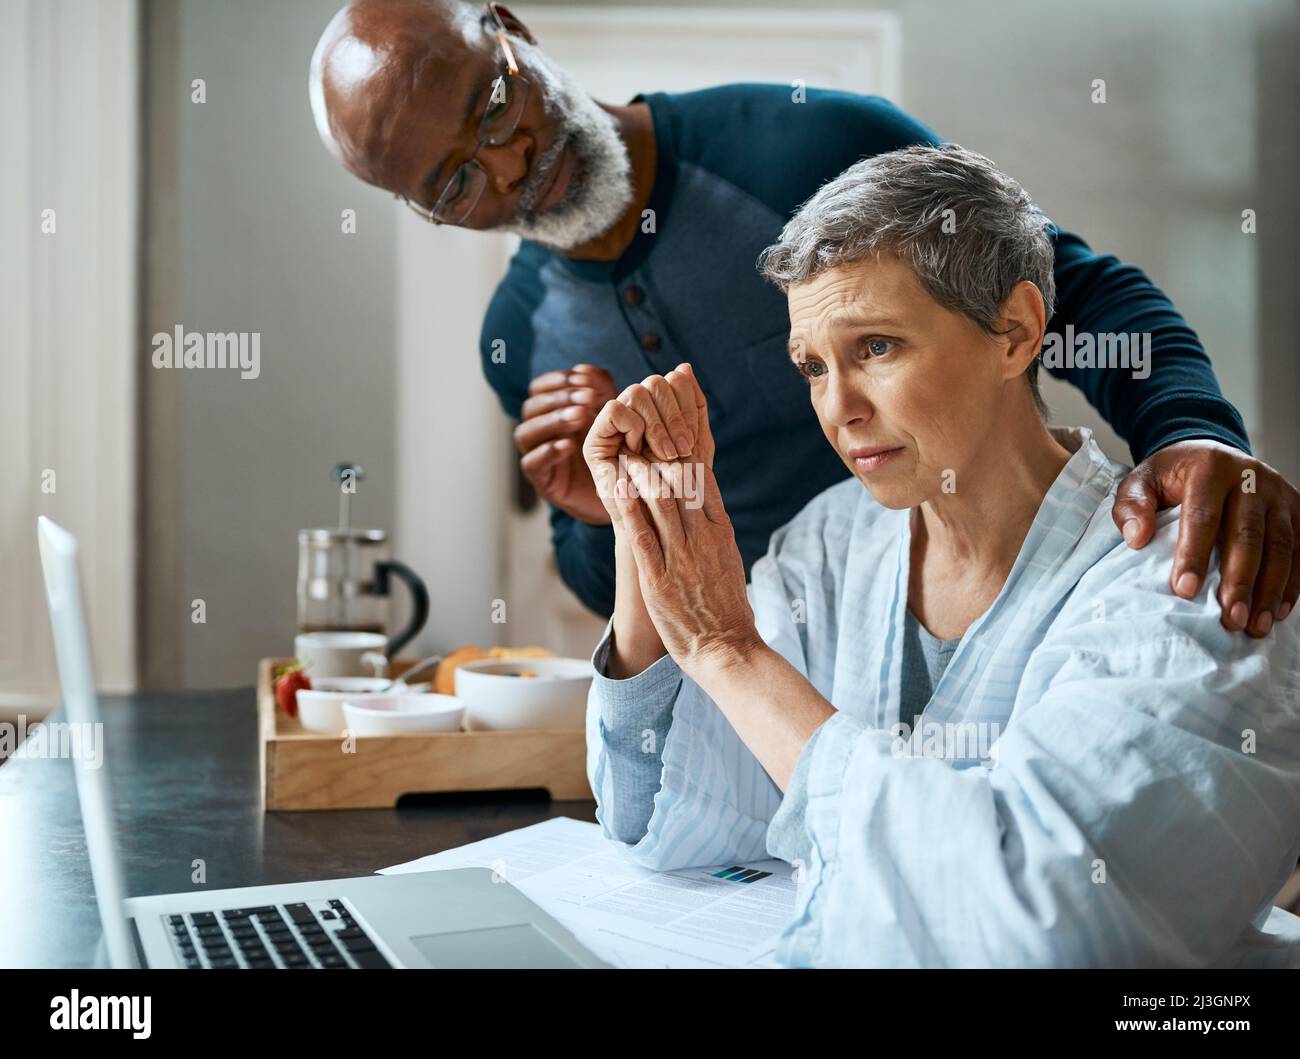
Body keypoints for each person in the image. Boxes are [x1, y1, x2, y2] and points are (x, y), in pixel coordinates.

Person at [309, 0, 1300, 637]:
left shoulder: (813, 139)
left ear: (511, 29)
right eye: (453, 182)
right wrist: (603, 519)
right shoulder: (517, 338)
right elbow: (633, 600)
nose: (511, 166)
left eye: (492, 109)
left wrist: (1191, 432)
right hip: (780, 721)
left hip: (1018, 636)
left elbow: (1072, 293)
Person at [581, 145, 1300, 967]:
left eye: (877, 348)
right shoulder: (833, 542)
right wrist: (647, 539)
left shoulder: (1187, 578)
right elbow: (685, 820)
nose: (838, 408)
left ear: (1016, 331)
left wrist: (727, 649)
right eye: (813, 367)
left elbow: (1047, 927)